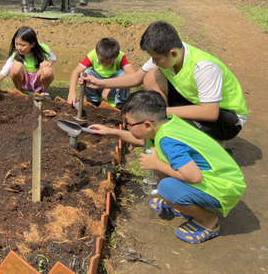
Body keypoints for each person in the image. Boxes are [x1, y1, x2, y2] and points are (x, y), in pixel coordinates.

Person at [89, 91, 245, 243]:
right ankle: (182, 205)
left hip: (223, 187)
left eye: (128, 124)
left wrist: (156, 164)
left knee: (166, 187)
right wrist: (111, 132)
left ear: (148, 124)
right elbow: (141, 139)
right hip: (223, 176)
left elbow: (194, 177)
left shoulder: (168, 141)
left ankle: (208, 221)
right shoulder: (167, 123)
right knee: (158, 160)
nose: (127, 126)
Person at [82, 21, 247, 142]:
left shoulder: (204, 68)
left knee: (176, 134)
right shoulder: (169, 53)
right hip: (192, 101)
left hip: (225, 118)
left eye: (156, 58)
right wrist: (100, 83)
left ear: (173, 53)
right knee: (151, 75)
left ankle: (214, 144)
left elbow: (210, 113)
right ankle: (168, 124)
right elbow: (136, 78)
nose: (153, 61)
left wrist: (162, 114)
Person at [0, 26, 56, 96]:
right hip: (24, 81)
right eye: (17, 44)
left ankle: (43, 93)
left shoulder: (42, 49)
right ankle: (19, 92)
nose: (19, 48)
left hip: (37, 81)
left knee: (48, 70)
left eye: (23, 45)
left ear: (32, 44)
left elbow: (53, 57)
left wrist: (48, 62)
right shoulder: (15, 55)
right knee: (16, 66)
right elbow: (3, 73)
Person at [67, 37, 134, 109]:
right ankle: (93, 100)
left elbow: (132, 75)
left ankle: (120, 103)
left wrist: (109, 86)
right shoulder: (92, 55)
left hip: (114, 89)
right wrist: (72, 92)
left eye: (109, 62)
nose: (104, 64)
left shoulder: (121, 57)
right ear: (97, 54)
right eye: (101, 61)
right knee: (87, 73)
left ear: (116, 56)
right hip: (97, 87)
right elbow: (76, 72)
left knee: (124, 75)